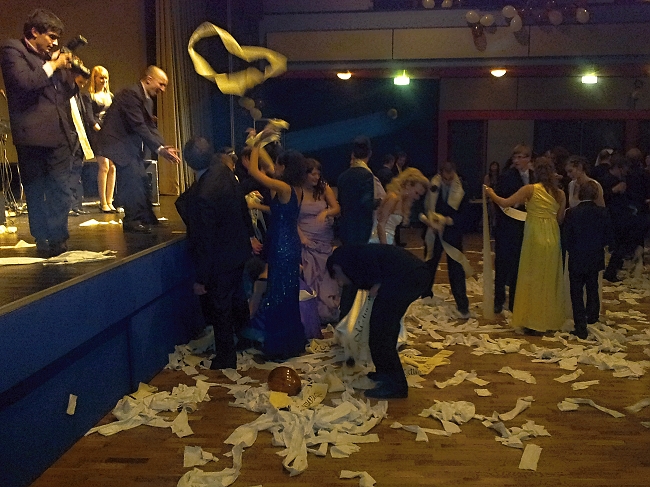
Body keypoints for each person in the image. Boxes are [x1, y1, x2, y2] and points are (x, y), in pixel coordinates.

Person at [176, 136, 262, 369]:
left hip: (220, 258)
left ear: (188, 163)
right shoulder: (224, 172)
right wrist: (249, 236)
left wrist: (201, 279)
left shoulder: (203, 195)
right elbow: (242, 206)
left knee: (221, 306)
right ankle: (244, 338)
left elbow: (205, 240)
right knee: (238, 298)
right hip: (238, 248)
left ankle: (226, 357)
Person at [0, 8, 79, 257]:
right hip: (33, 135)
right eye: (51, 37)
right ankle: (42, 237)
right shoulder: (13, 50)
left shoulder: (49, 58)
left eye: (57, 38)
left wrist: (72, 75)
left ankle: (58, 238)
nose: (54, 43)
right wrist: (53, 64)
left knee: (61, 188)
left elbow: (64, 94)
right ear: (34, 32)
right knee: (36, 190)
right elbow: (25, 83)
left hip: (60, 134)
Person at [327, 244, 430, 399]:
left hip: (408, 278)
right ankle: (385, 373)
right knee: (379, 329)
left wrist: (377, 284)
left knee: (382, 333)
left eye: (336, 277)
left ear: (337, 267)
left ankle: (396, 385)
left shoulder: (361, 257)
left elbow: (378, 273)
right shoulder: (357, 259)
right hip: (406, 278)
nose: (340, 283)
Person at [242, 132, 307, 360]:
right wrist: (263, 142)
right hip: (289, 244)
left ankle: (279, 346)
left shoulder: (284, 188)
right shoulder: (295, 188)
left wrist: (257, 144)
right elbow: (269, 168)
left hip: (282, 246)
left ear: (285, 168)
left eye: (279, 165)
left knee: (278, 295)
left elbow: (254, 171)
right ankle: (290, 342)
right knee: (286, 293)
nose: (275, 167)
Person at [486, 156, 566, 334]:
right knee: (548, 280)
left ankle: (532, 321)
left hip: (535, 237)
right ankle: (547, 319)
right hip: (553, 237)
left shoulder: (530, 189)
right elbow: (560, 218)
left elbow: (505, 202)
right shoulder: (560, 193)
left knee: (532, 279)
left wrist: (490, 192)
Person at [97, 65, 181, 233]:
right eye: (161, 84)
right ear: (149, 79)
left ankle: (147, 217)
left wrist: (162, 146)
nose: (163, 89)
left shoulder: (145, 99)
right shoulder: (131, 94)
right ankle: (132, 221)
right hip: (117, 143)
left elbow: (150, 126)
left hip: (127, 144)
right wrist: (159, 149)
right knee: (132, 179)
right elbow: (139, 125)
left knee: (142, 178)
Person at [337, 136, 386, 318]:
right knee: (359, 272)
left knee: (349, 270)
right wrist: (380, 202)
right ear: (369, 154)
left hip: (345, 229)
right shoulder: (366, 176)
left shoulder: (343, 176)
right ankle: (354, 314)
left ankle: (345, 312)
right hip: (361, 230)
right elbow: (365, 204)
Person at [562, 181, 613, 339]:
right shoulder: (603, 212)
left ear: (579, 194)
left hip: (577, 256)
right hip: (595, 255)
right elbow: (608, 236)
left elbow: (566, 237)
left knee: (576, 292)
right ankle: (592, 318)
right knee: (592, 288)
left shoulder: (572, 213)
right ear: (596, 194)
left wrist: (571, 249)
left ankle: (580, 326)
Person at [421, 161, 471, 319]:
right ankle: (425, 295)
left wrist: (449, 220)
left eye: (451, 178)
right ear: (440, 175)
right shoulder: (432, 184)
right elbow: (422, 207)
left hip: (452, 233)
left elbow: (466, 213)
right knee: (430, 263)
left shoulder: (462, 187)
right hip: (433, 231)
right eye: (445, 179)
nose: (448, 181)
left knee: (456, 268)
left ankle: (463, 306)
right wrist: (428, 221)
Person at [297, 157, 341, 324]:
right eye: (312, 174)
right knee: (311, 275)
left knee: (326, 275)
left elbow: (336, 208)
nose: (316, 177)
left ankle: (328, 311)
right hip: (307, 239)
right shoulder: (297, 191)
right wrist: (302, 237)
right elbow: (291, 217)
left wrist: (326, 212)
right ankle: (312, 313)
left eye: (318, 174)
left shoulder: (324, 188)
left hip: (324, 239)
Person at [492, 144, 533, 314]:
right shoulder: (506, 176)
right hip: (507, 226)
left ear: (528, 158)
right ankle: (498, 299)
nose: (516, 161)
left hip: (527, 226)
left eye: (520, 157)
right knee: (502, 264)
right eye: (515, 157)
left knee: (520, 265)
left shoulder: (535, 176)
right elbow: (499, 200)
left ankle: (515, 301)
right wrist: (517, 202)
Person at [369, 167, 428, 245]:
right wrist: (385, 248)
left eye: (419, 195)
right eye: (416, 193)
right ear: (408, 185)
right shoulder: (393, 198)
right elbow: (381, 224)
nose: (417, 198)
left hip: (386, 239)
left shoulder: (401, 201)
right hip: (378, 240)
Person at [87, 65, 117, 213]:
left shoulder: (110, 96)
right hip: (98, 133)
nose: (104, 80)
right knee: (104, 165)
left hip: (110, 133)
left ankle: (110, 200)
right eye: (101, 78)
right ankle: (103, 201)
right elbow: (89, 117)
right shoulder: (90, 96)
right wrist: (97, 127)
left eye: (106, 78)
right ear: (95, 78)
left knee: (112, 167)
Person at [68, 74, 95, 216]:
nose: (82, 85)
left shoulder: (79, 96)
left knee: (76, 172)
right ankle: (69, 204)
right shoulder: (64, 95)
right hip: (69, 140)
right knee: (68, 172)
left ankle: (76, 204)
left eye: (84, 83)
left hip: (80, 138)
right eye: (80, 82)